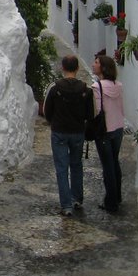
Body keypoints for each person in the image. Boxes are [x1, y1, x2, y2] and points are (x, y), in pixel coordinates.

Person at [43, 54, 93, 216]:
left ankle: (66, 205)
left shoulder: (55, 88)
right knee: (76, 165)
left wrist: (54, 122)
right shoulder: (86, 89)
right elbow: (90, 114)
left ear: (62, 68)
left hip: (59, 132)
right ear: (77, 68)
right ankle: (76, 198)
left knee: (61, 168)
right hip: (77, 132)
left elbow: (47, 110)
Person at [92, 54, 124, 212]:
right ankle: (117, 196)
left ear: (103, 67)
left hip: (104, 130)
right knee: (114, 162)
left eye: (97, 62)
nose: (93, 64)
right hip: (118, 128)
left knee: (108, 167)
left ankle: (110, 202)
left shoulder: (97, 87)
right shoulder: (118, 85)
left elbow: (97, 110)